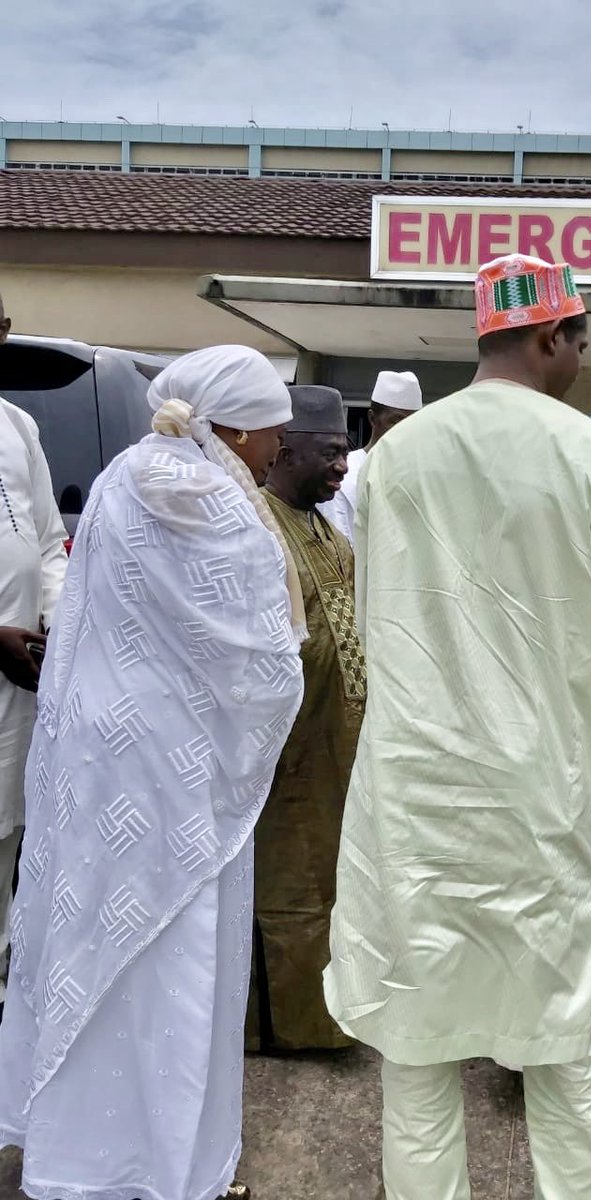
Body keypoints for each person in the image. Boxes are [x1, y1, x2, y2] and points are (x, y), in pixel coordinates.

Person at [324, 253, 591, 1200]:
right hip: (537, 803)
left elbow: (376, 609)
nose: (581, 364)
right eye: (581, 345)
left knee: (418, 1051)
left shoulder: (391, 457)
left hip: (414, 801)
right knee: (558, 1052)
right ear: (550, 335)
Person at [0, 345, 305, 1200]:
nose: (279, 445)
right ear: (237, 427)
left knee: (93, 940)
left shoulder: (128, 472)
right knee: (170, 958)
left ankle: (80, 1150)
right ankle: (157, 1165)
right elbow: (257, 653)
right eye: (273, 429)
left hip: (104, 759)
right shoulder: (202, 494)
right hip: (176, 776)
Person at [248, 385, 366, 1052]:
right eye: (330, 452)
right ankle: (279, 1030)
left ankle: (323, 1016)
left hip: (338, 743)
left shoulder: (331, 535)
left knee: (330, 885)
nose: (343, 466)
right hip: (287, 751)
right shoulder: (257, 527)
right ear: (284, 449)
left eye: (346, 452)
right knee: (286, 884)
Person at [0, 291, 69, 1009]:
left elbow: (49, 541)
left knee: (10, 841)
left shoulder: (17, 425)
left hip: (20, 686)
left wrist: (59, 622)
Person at [318, 369, 422, 543]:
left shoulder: (418, 475)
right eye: (396, 421)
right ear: (372, 419)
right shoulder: (345, 473)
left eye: (412, 423)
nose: (404, 430)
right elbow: (340, 545)